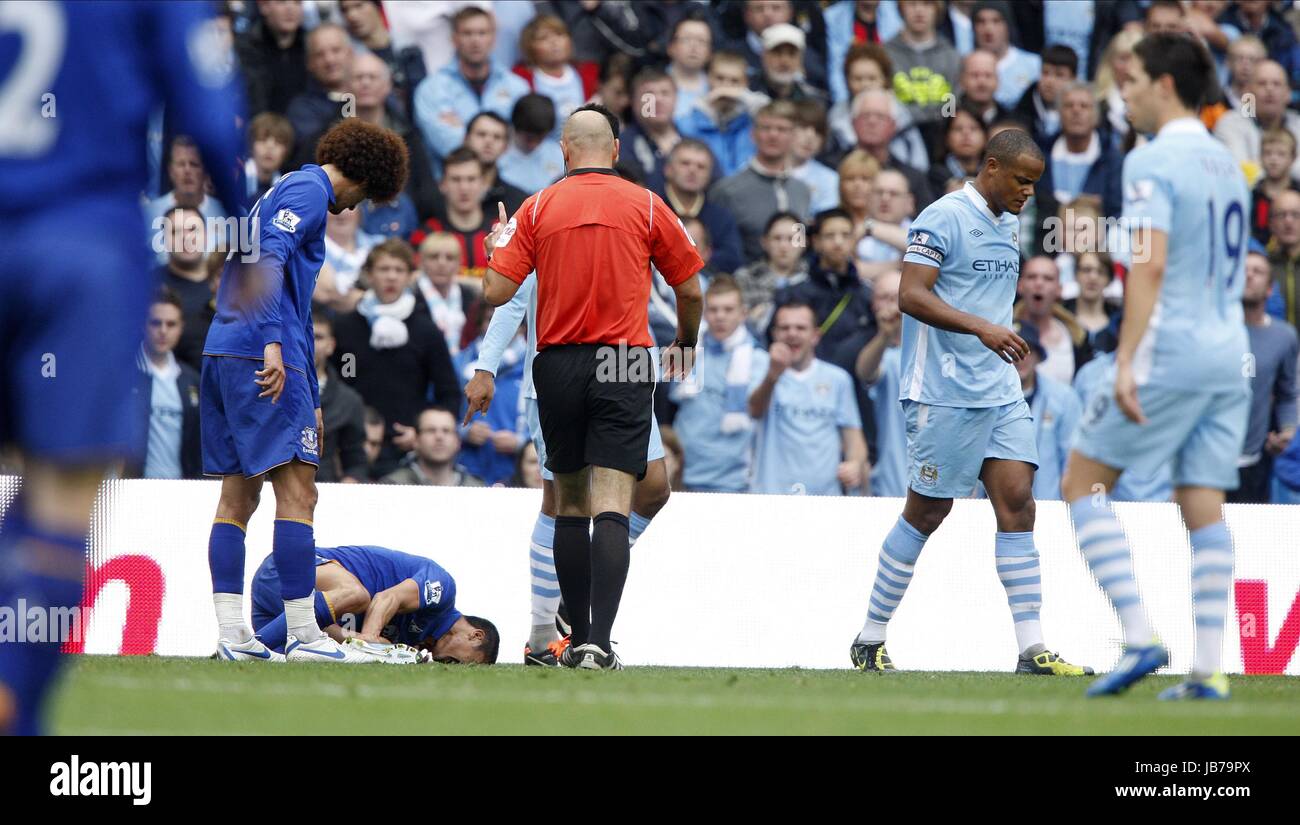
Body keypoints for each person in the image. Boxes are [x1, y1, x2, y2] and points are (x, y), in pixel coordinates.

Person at [0, 0, 244, 735]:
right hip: (83, 246)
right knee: (62, 492)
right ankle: (19, 709)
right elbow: (203, 100)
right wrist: (243, 222)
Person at [850, 128, 1092, 677]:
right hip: (942, 391)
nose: (1029, 193)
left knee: (1018, 503)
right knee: (929, 510)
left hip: (999, 390)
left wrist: (994, 334)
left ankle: (1032, 648)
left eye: (1035, 184)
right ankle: (870, 635)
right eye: (1022, 181)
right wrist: (983, 328)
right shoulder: (941, 217)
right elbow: (910, 294)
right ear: (991, 168)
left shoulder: (1010, 225)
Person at [479, 104, 704, 671]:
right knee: (614, 502)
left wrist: (497, 247)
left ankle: (572, 633)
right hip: (624, 362)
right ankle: (596, 642)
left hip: (556, 365)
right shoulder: (649, 204)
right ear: (617, 150)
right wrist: (686, 342)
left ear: (563, 149)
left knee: (569, 505)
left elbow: (493, 293)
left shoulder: (537, 208)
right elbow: (692, 288)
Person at [1061, 33, 1251, 701]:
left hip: (1172, 345)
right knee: (1201, 499)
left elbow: (1149, 262)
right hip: (1230, 352)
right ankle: (1206, 668)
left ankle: (1140, 633)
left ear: (1164, 85)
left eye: (1133, 80)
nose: (1126, 94)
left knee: (1082, 480)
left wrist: (1128, 358)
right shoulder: (1229, 160)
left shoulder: (1153, 160)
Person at [203, 119, 409, 666]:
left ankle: (234, 637)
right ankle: (302, 633)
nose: (357, 205)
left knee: (237, 499)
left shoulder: (285, 188)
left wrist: (309, 391)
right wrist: (273, 344)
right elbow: (268, 255)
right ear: (364, 176)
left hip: (224, 345)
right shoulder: (312, 191)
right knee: (299, 494)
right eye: (366, 194)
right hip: (260, 350)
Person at [465, 266, 676, 666]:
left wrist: (678, 347)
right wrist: (485, 367)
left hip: (624, 369)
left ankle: (576, 588)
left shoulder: (640, 208)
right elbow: (509, 297)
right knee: (562, 501)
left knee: (654, 488)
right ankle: (543, 639)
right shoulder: (545, 214)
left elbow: (676, 279)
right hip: (556, 373)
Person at [332, 240, 460, 477]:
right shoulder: (346, 327)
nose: (391, 277)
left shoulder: (425, 330)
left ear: (411, 276)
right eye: (384, 269)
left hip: (404, 446)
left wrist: (421, 432)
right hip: (350, 444)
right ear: (369, 275)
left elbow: (449, 392)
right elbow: (339, 381)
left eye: (399, 270)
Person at [248, 543, 498, 664]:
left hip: (280, 608)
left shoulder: (411, 644)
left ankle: (250, 645)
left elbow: (324, 633)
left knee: (288, 659)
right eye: (462, 664)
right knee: (358, 595)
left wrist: (354, 639)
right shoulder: (442, 590)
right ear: (475, 636)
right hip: (291, 570)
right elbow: (386, 598)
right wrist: (368, 638)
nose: (451, 668)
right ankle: (249, 646)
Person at [747, 300, 868, 496]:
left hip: (824, 498)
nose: (792, 333)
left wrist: (855, 463)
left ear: (815, 336)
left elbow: (854, 438)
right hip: (771, 495)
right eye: (785, 328)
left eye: (800, 328)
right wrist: (772, 376)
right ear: (775, 334)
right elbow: (754, 410)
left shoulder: (838, 379)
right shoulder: (761, 367)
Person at [412, 6, 529, 175]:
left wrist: (464, 129)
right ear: (454, 39)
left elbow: (522, 144)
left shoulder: (517, 86)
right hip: (456, 186)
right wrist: (498, 140)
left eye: (482, 33)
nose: (475, 40)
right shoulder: (431, 89)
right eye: (467, 33)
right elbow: (448, 145)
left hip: (510, 182)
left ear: (493, 38)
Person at [670, 276, 760, 493]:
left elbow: (756, 410)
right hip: (683, 475)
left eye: (728, 309)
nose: (720, 316)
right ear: (703, 312)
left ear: (743, 313)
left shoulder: (759, 360)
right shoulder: (685, 351)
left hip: (736, 480)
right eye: (713, 309)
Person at [708, 101, 812, 264]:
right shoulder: (728, 191)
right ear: (753, 134)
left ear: (793, 136)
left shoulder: (802, 190)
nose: (773, 135)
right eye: (766, 128)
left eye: (782, 129)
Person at [1232, 252, 1298, 503]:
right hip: (1206, 457)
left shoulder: (1284, 337)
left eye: (1257, 271)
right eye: (1243, 270)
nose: (1248, 275)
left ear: (1270, 289)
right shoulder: (1213, 331)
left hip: (1254, 461)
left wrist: (1288, 430)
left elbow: (1287, 394)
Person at [133, 290, 202, 480]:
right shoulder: (126, 378)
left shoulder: (192, 381)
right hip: (131, 488)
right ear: (143, 324)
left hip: (182, 490)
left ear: (181, 328)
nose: (163, 330)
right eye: (156, 322)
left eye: (171, 324)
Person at [1012, 322, 1082, 502]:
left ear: (1037, 356)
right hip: (995, 507)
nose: (1020, 359)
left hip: (1049, 508)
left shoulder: (1064, 398)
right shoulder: (987, 399)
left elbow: (1072, 459)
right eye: (1012, 352)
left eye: (1025, 351)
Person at [656, 139, 745, 276]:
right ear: (668, 169)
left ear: (710, 175)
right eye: (685, 163)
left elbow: (732, 259)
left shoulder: (721, 216)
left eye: (701, 166)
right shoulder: (651, 209)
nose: (693, 170)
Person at [677, 50, 771, 178]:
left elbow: (772, 113)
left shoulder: (753, 119)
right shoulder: (689, 121)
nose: (726, 87)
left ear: (745, 84)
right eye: (720, 79)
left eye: (734, 81)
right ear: (708, 79)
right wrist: (706, 107)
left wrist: (742, 95)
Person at [854, 269, 906, 497]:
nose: (893, 306)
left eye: (898, 297)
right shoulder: (870, 350)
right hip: (887, 482)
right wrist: (885, 335)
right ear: (873, 303)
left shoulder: (933, 351)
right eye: (885, 298)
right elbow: (865, 371)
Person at [313, 313, 369, 484]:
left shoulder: (348, 401)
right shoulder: (268, 387)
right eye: (304, 333)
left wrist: (348, 485)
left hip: (324, 490)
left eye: (318, 337)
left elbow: (356, 461)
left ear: (331, 346)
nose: (310, 342)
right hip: (269, 491)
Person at [733, 211, 808, 333]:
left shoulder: (813, 278)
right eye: (777, 238)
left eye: (791, 239)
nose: (783, 246)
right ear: (764, 242)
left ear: (804, 243)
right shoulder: (744, 278)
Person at [381, 406, 486, 487]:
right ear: (416, 440)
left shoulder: (476, 489)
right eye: (431, 430)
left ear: (457, 442)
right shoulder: (392, 486)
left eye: (446, 431)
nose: (439, 437)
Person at [497, 94, 565, 194]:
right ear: (515, 129)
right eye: (529, 138)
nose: (534, 144)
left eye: (540, 138)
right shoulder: (498, 157)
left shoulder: (560, 155)